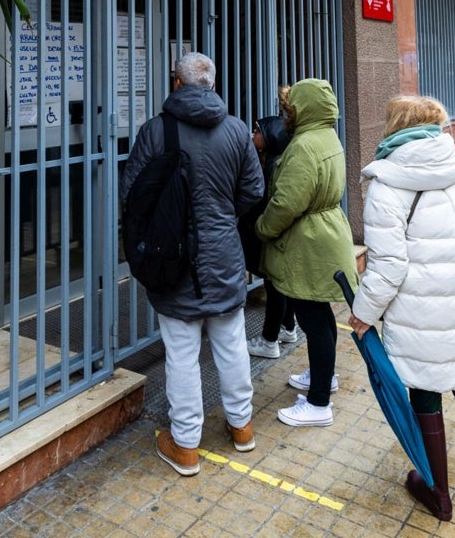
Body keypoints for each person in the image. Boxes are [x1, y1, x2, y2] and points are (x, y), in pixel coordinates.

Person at [348, 96, 455, 523]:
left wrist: (362, 313)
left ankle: (439, 495)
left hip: (422, 312)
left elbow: (388, 266)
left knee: (424, 391)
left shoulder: (387, 185)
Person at [120, 51, 265, 476]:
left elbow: (133, 196)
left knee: (181, 353)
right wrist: (221, 217)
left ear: (176, 83)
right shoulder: (237, 131)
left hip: (172, 260)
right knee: (232, 342)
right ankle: (242, 427)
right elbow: (253, 190)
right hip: (223, 258)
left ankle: (185, 445)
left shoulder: (156, 130)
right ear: (213, 85)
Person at [256, 78, 358, 427]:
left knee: (312, 321)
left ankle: (317, 404)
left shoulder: (303, 146)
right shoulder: (326, 136)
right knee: (320, 316)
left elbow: (286, 203)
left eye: (289, 108)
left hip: (308, 243)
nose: (285, 115)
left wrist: (262, 228)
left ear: (303, 109)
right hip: (325, 234)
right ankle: (323, 377)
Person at [240, 113, 300, 357]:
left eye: (257, 131)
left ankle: (269, 340)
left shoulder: (275, 164)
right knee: (278, 285)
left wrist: (262, 228)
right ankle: (288, 328)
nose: (253, 135)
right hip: (276, 235)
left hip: (270, 234)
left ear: (270, 137)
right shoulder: (276, 159)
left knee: (274, 286)